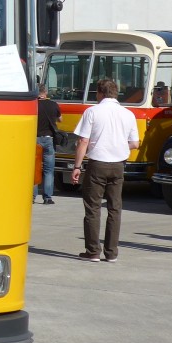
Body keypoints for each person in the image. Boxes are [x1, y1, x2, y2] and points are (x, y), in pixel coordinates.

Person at [71, 78, 139, 262]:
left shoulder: (92, 112)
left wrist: (77, 166)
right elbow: (135, 143)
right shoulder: (128, 114)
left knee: (92, 208)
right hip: (118, 164)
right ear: (116, 93)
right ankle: (111, 252)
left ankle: (93, 251)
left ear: (99, 93)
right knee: (114, 209)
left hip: (97, 163)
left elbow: (83, 141)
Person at [34, 84, 61, 205]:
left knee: (34, 169)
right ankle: (48, 197)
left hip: (34, 140)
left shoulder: (33, 105)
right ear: (46, 92)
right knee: (48, 170)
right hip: (49, 140)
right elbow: (60, 119)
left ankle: (32, 197)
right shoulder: (53, 105)